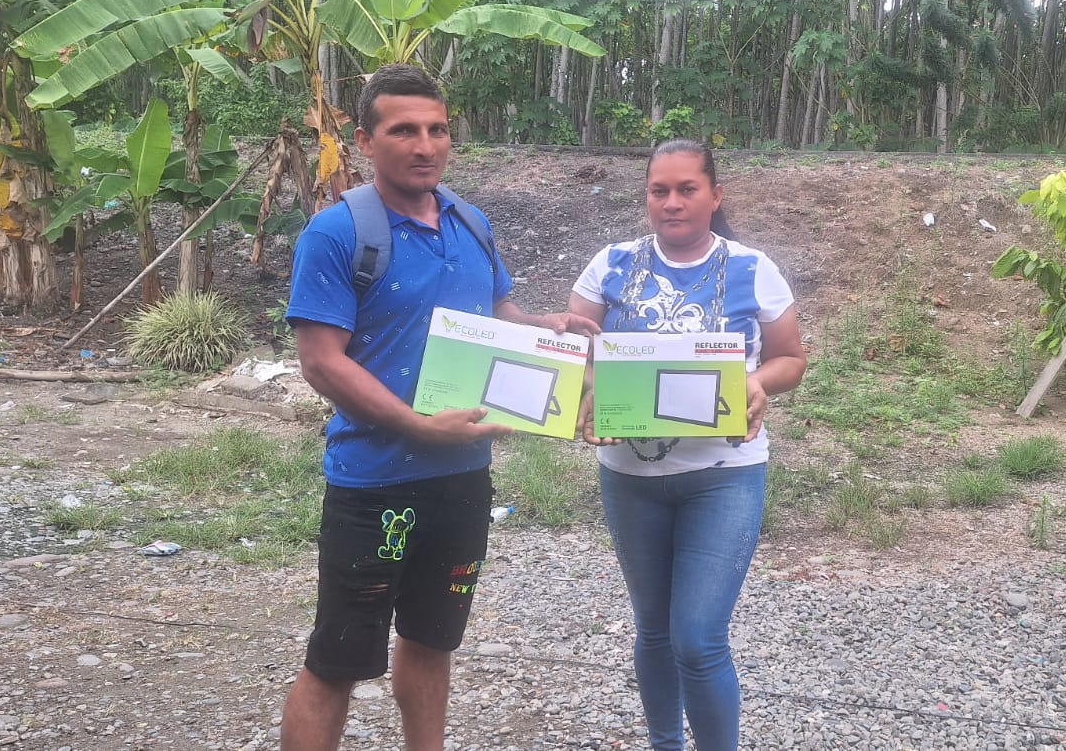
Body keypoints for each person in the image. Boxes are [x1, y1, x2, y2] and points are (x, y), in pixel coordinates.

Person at [279, 63, 597, 751]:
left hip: (461, 480)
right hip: (373, 486)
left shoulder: (470, 222)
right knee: (338, 660)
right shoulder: (335, 235)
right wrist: (418, 426)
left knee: (432, 642)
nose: (425, 146)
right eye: (403, 131)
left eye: (437, 129)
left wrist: (542, 326)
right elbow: (321, 361)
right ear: (365, 141)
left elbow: (496, 315)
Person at [569, 138, 807, 751]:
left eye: (686, 189)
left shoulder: (752, 268)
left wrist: (758, 382)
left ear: (715, 195)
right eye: (659, 190)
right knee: (653, 630)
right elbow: (576, 355)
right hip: (629, 476)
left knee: (697, 638)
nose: (671, 202)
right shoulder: (609, 265)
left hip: (724, 474)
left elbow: (790, 358)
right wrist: (586, 390)